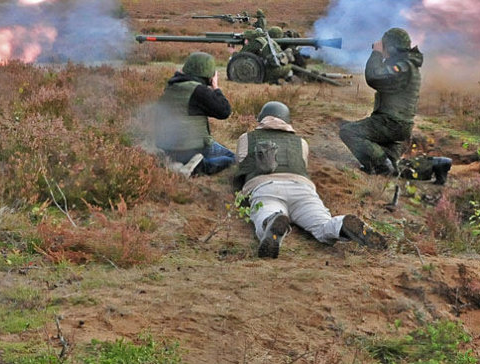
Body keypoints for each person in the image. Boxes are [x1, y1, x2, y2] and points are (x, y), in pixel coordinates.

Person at [233, 101, 386, 259]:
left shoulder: (247, 138)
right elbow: (302, 164)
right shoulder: (301, 142)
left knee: (264, 214)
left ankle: (272, 221)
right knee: (322, 224)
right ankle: (340, 224)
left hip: (266, 187)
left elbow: (240, 162)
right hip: (302, 189)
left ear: (261, 119)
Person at [339, 28, 451, 184]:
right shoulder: (407, 64)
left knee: (348, 132)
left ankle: (382, 167)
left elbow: (373, 77)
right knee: (397, 166)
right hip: (399, 124)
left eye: (385, 46)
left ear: (391, 47)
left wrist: (377, 53)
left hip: (391, 122)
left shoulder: (403, 67)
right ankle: (437, 164)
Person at [154, 51, 235, 177]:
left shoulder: (171, 86)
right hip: (191, 147)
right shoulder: (198, 90)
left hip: (167, 146)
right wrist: (216, 87)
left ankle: (173, 162)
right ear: (209, 73)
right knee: (233, 159)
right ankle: (198, 166)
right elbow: (224, 111)